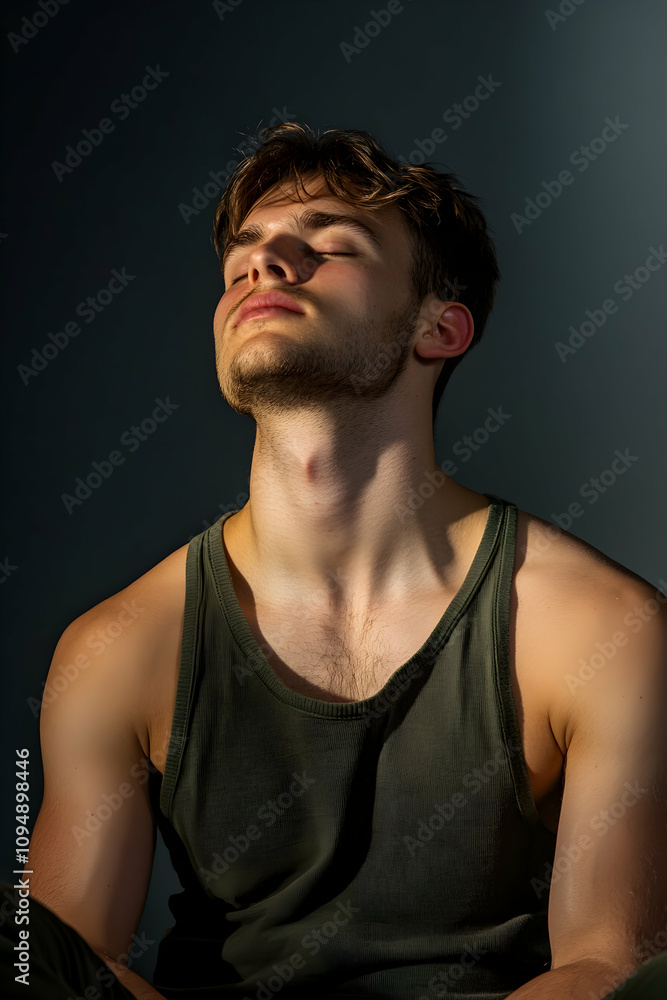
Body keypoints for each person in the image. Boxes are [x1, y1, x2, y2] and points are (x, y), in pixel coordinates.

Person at [1, 122, 666, 1000]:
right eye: (244, 253)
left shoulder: (597, 628)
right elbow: (59, 969)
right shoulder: (115, 647)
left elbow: (605, 962)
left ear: (440, 327)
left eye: (329, 246)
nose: (263, 263)